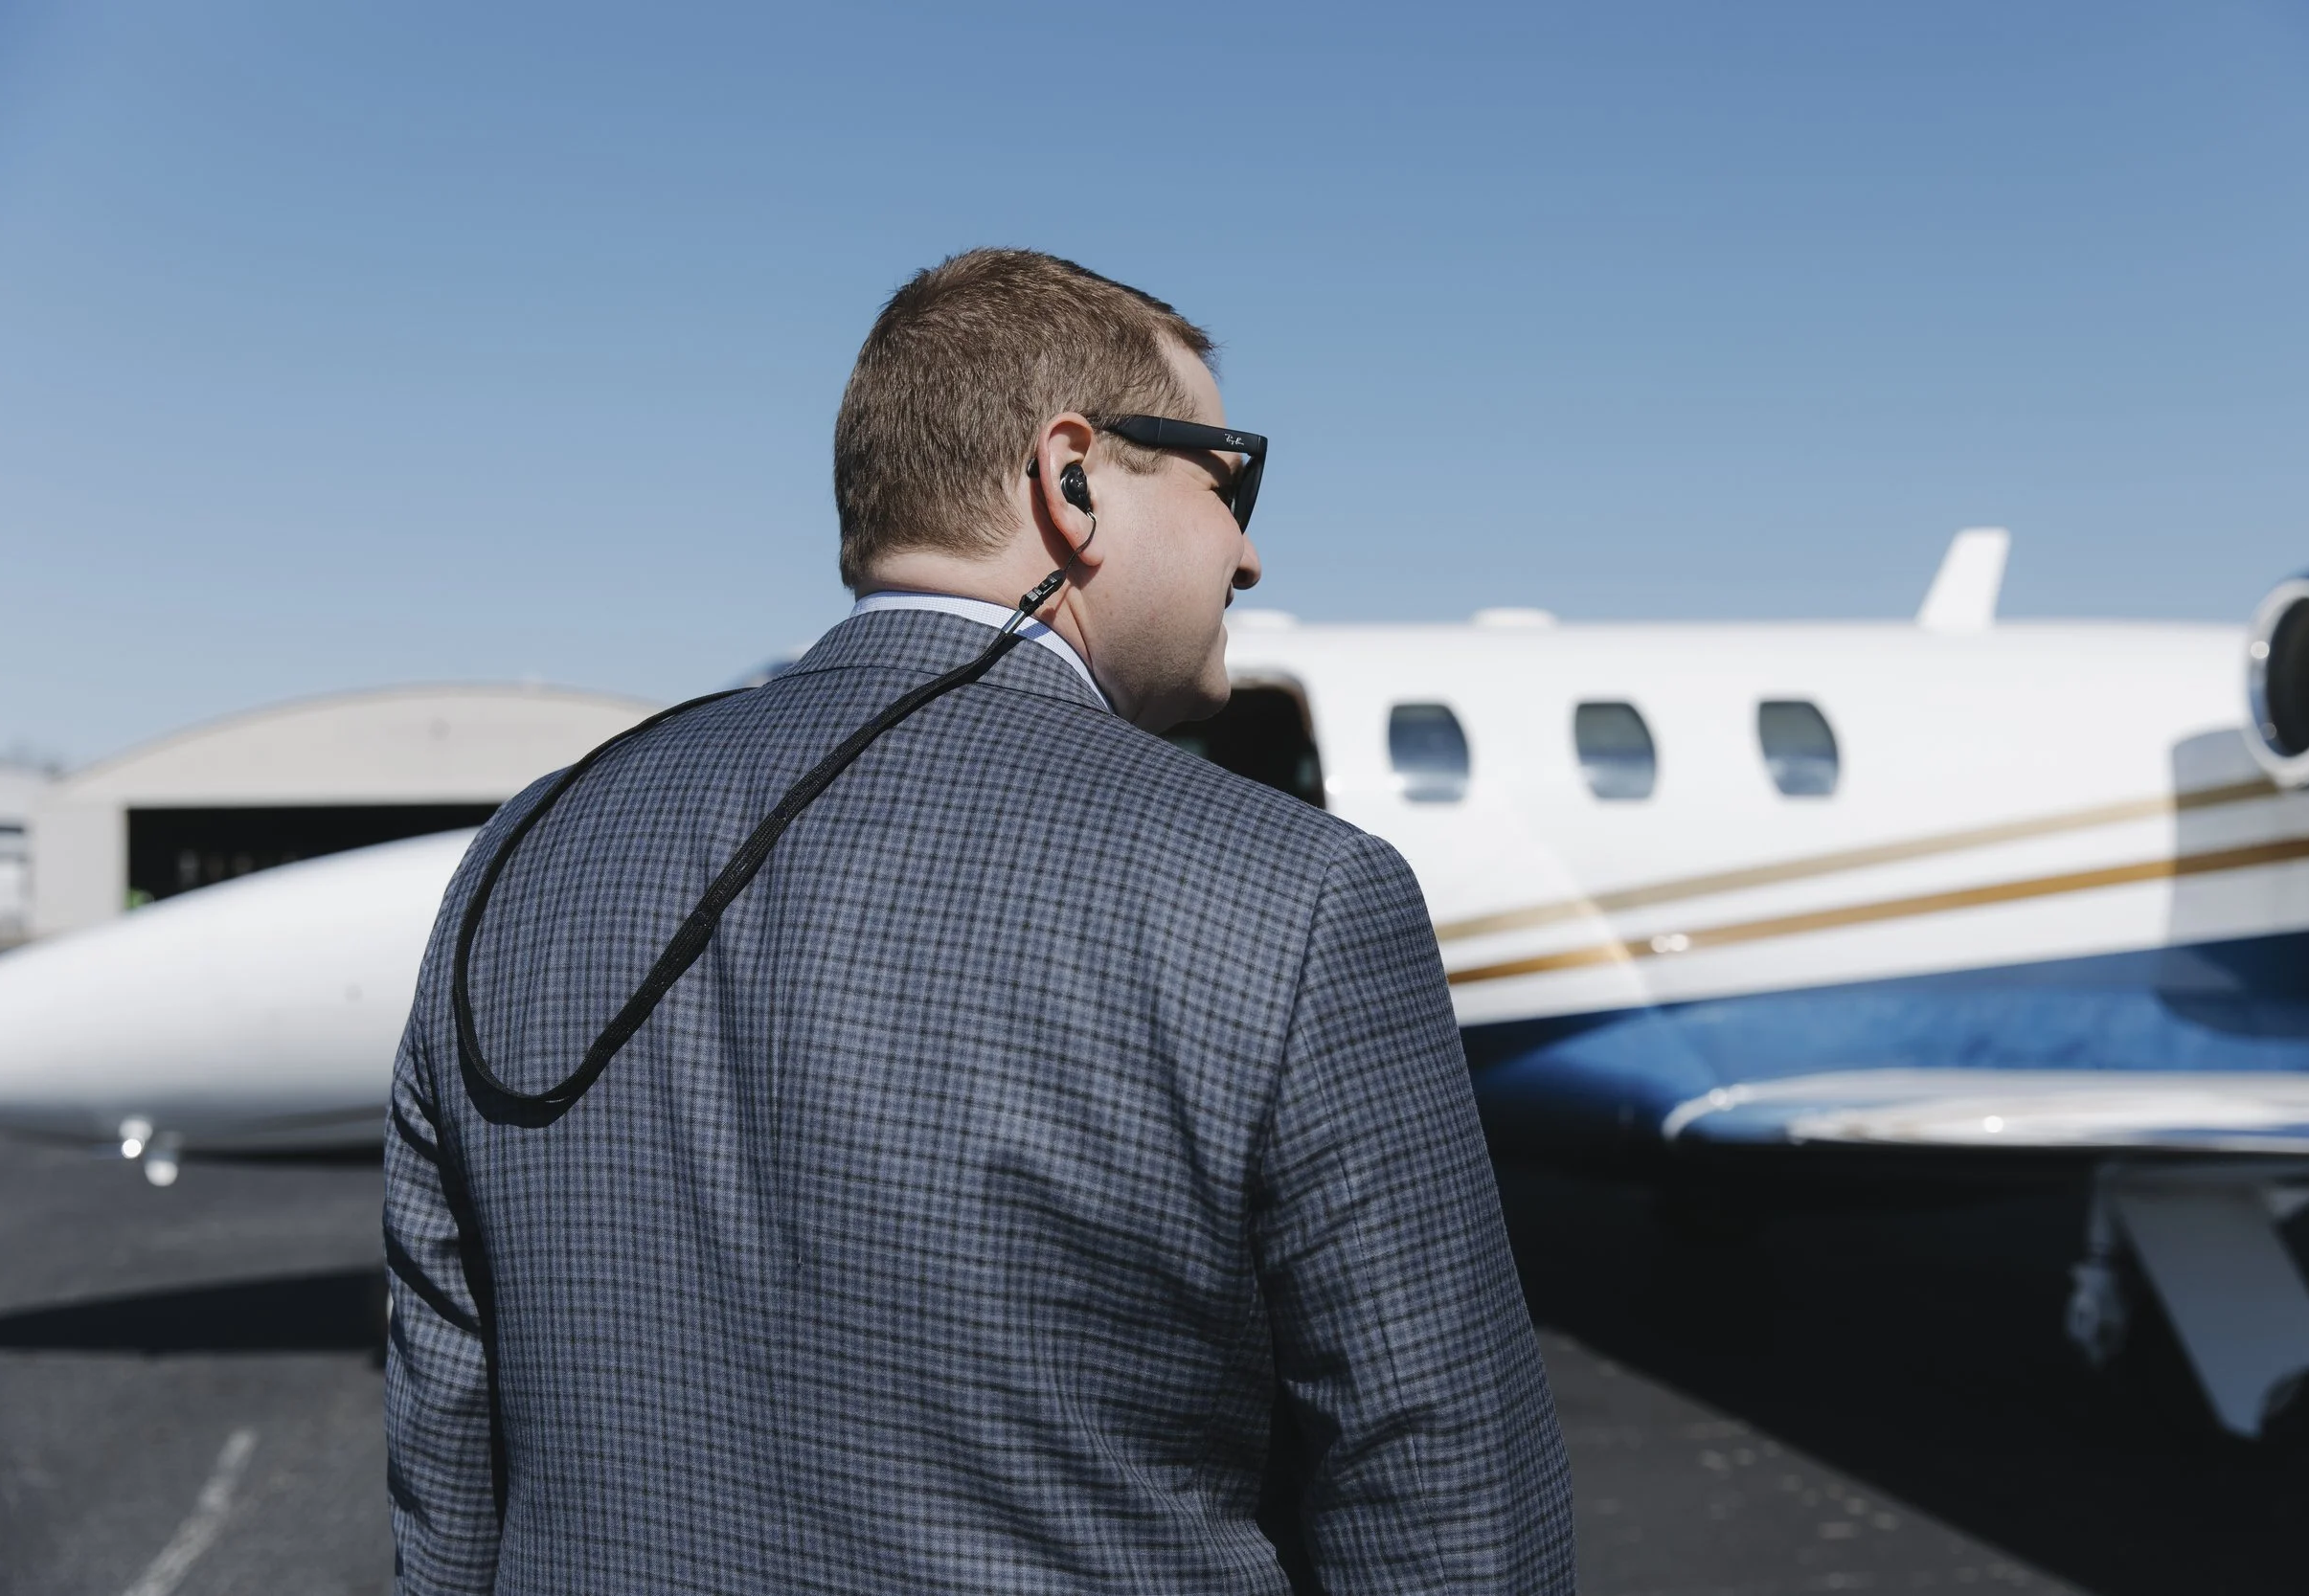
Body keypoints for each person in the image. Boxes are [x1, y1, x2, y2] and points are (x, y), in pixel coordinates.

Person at [382, 247, 1573, 1592]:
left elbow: (446, 1469)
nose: (1249, 550)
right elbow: (1446, 1512)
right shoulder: (1301, 898)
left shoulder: (526, 850)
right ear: (1071, 481)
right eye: (1227, 478)